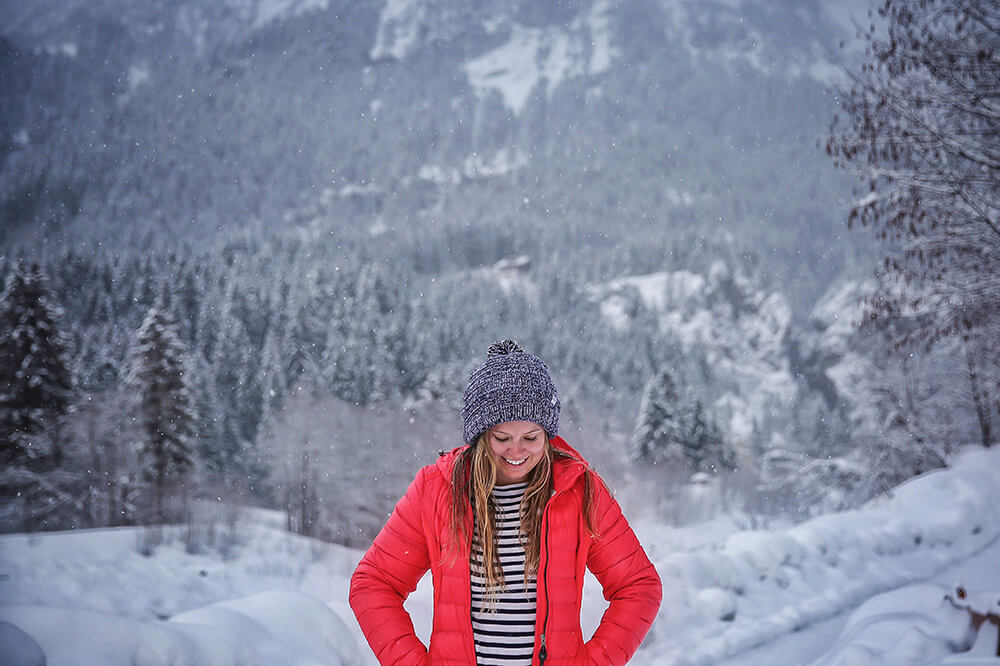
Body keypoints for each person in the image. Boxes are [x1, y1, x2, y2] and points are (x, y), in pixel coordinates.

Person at [350, 340, 662, 666]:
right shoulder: (437, 490)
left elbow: (638, 586)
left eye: (531, 438)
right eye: (502, 438)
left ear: (547, 434)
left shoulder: (580, 491)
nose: (517, 451)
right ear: (481, 436)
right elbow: (374, 584)